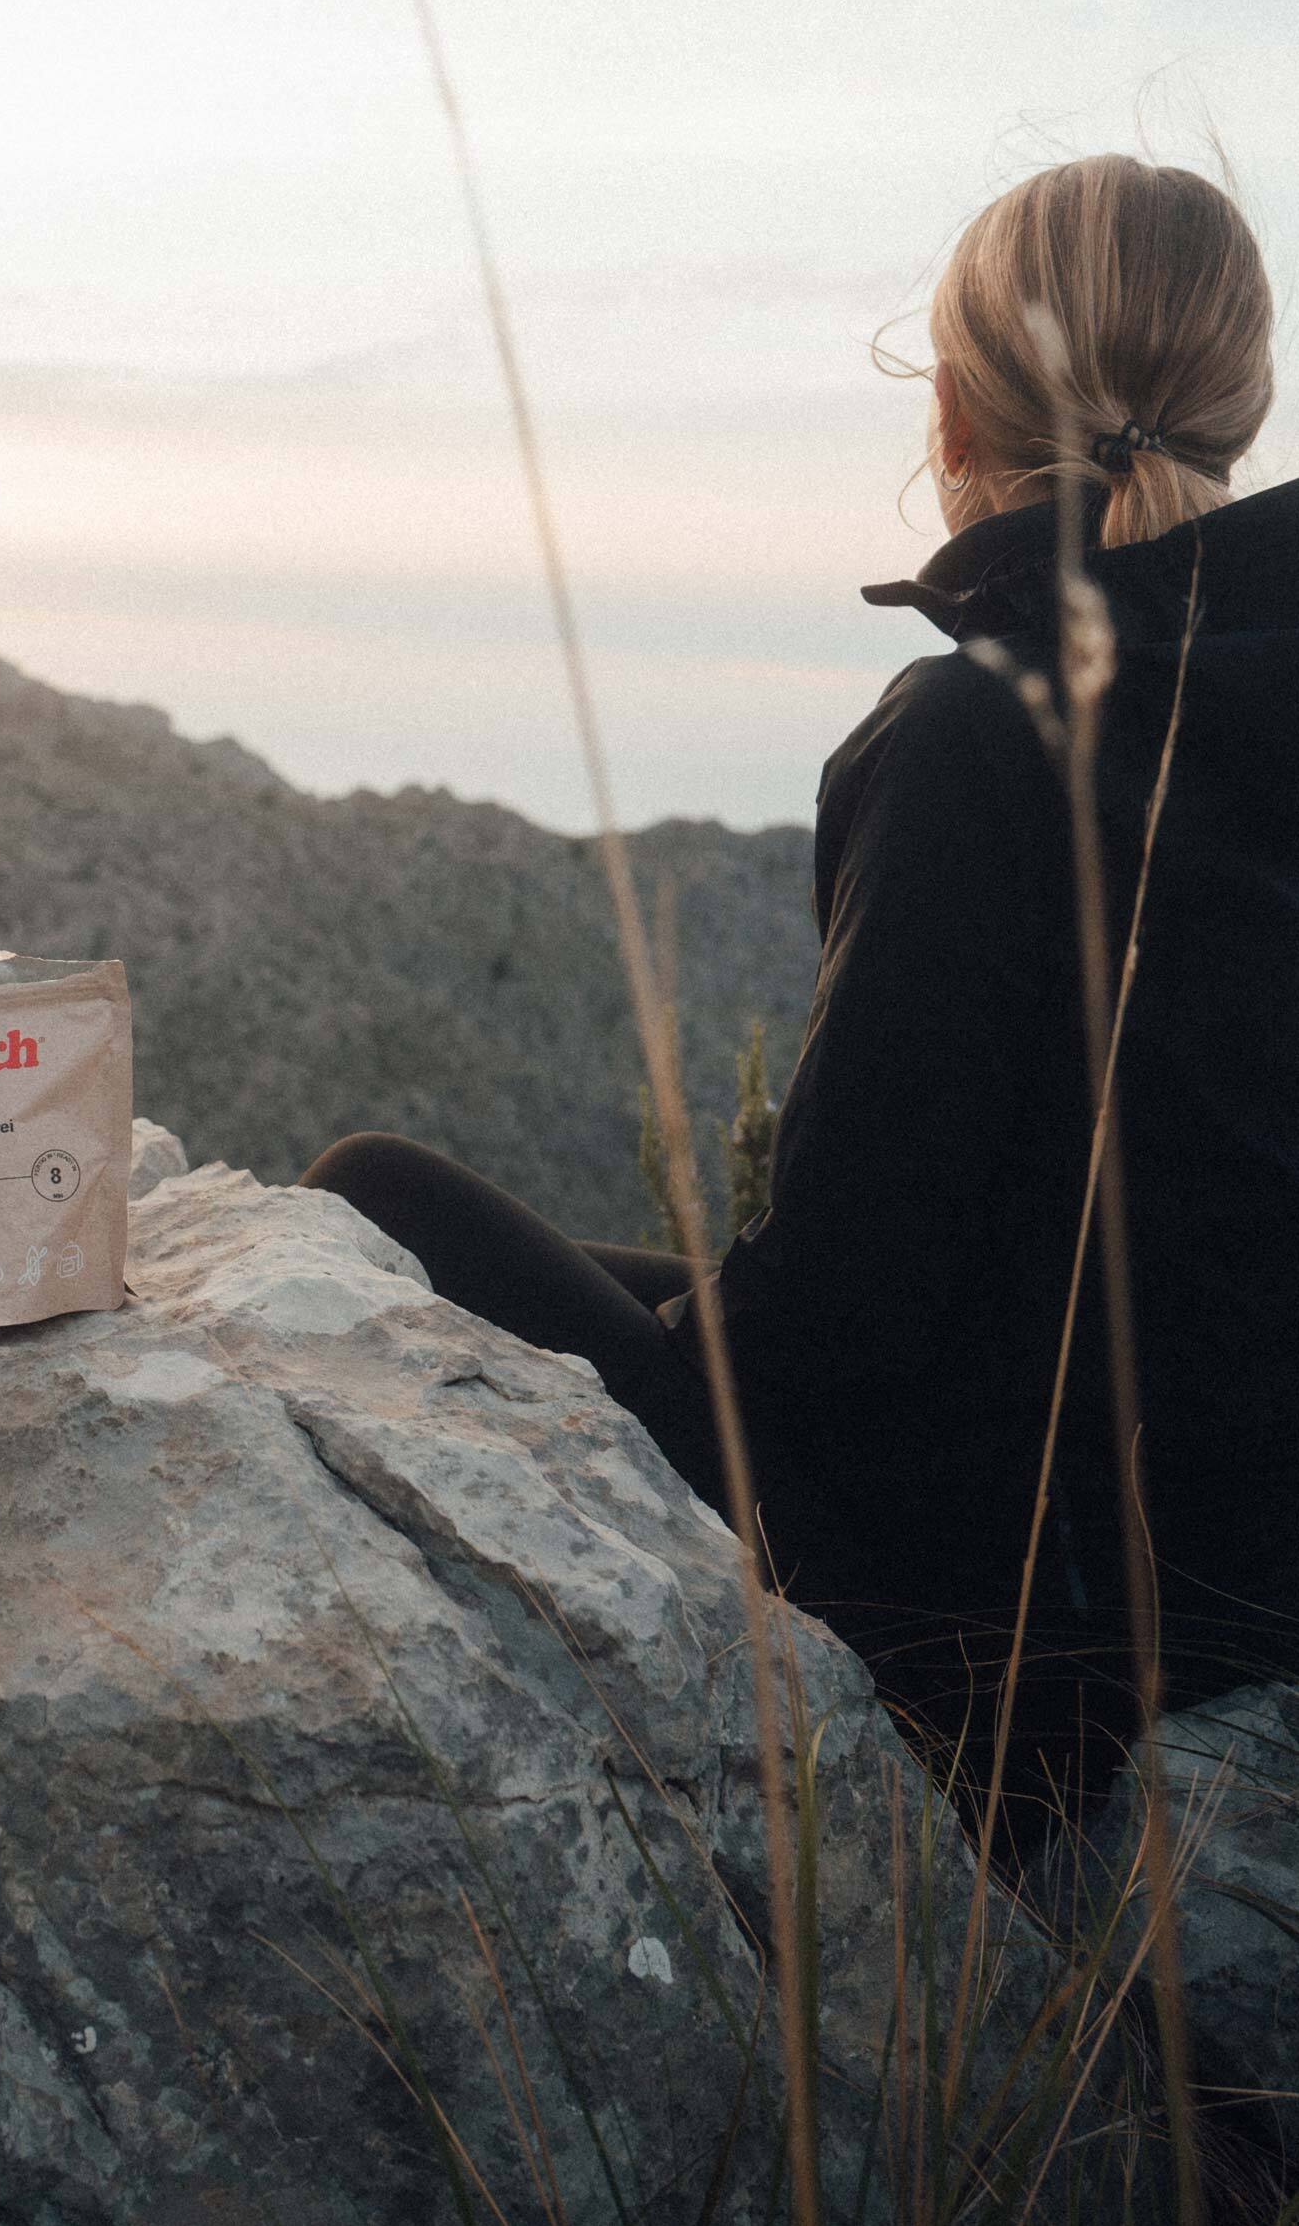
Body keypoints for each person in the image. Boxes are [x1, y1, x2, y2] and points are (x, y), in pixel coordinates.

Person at [306, 155, 1299, 1842]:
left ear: (958, 419)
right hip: (1245, 1562)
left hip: (1018, 1638)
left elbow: (845, 1321)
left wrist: (677, 1357)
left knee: (371, 1205)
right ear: (1239, 404)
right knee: (620, 1284)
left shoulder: (982, 735)